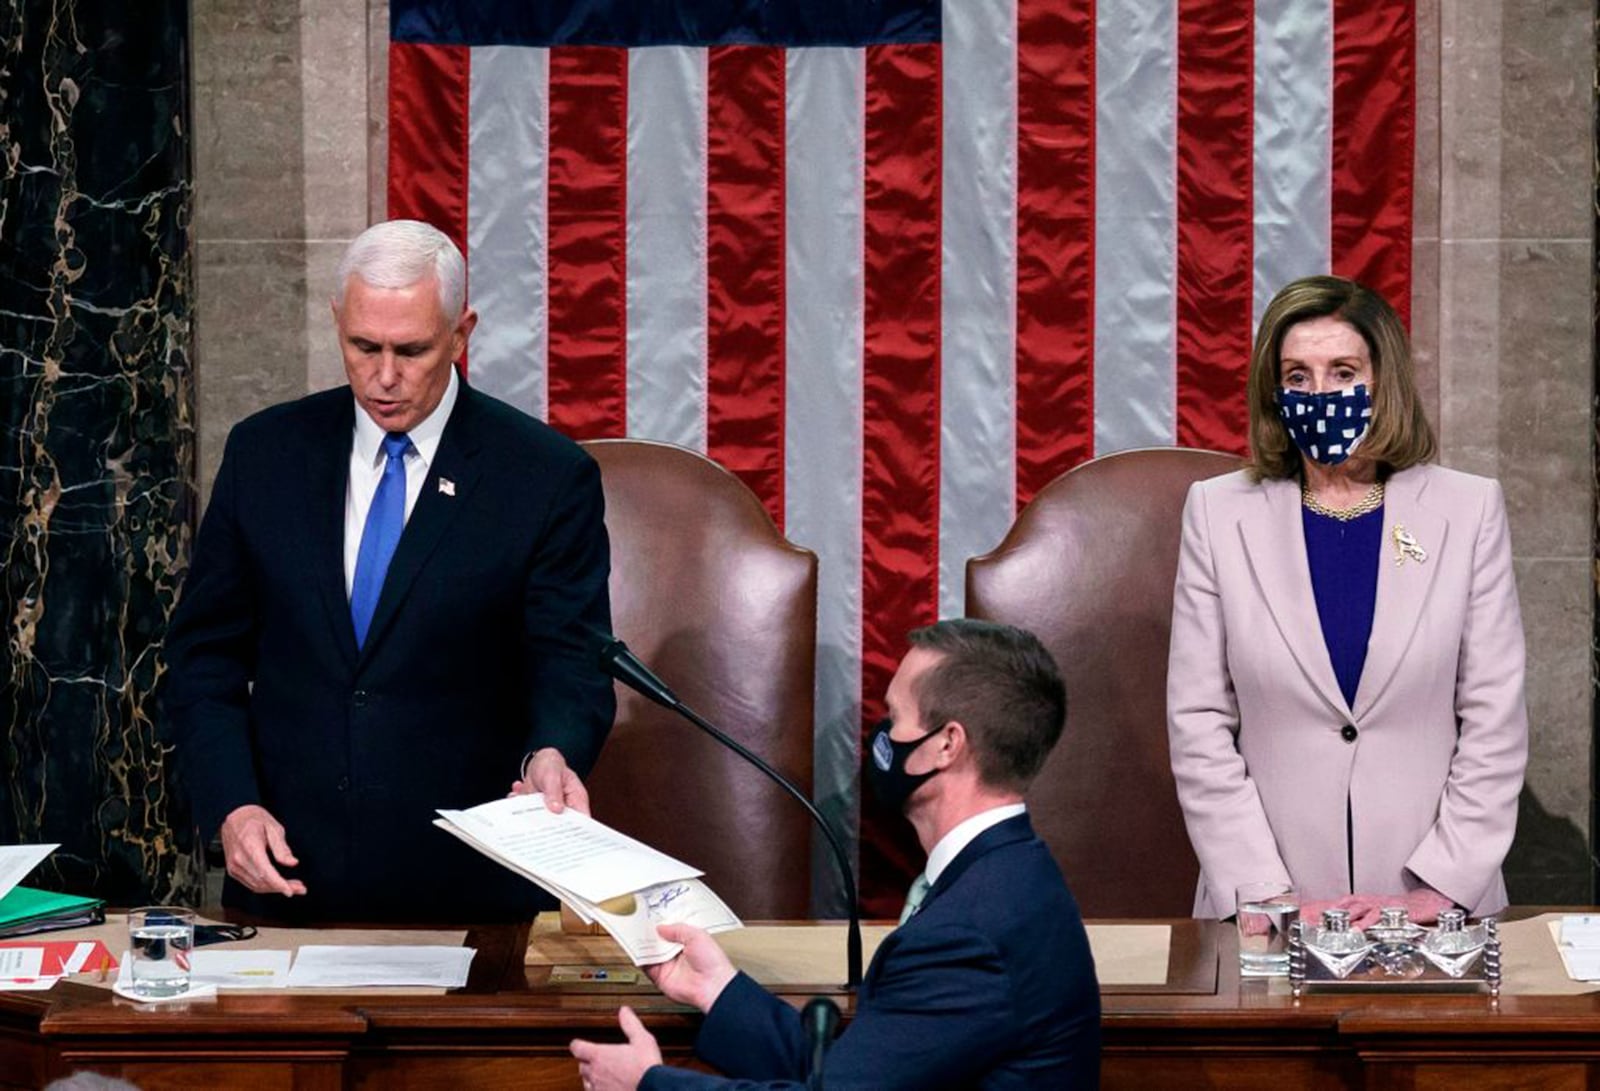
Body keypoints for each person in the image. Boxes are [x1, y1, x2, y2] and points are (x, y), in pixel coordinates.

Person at [162, 220, 615, 921]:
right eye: (362, 346)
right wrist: (231, 803)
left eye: (412, 350)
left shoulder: (544, 478)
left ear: (461, 333)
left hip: (470, 901)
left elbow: (572, 663)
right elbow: (203, 657)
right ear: (338, 321)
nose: (384, 376)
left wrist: (552, 754)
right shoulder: (264, 456)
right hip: (290, 887)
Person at [570, 619, 1101, 1090]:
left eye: (895, 718)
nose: (884, 736)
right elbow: (855, 1070)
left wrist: (648, 1084)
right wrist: (721, 991)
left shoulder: (966, 935)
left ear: (946, 744)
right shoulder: (1010, 875)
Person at [1167, 275, 1528, 928]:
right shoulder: (1217, 514)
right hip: (1270, 911)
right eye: (1297, 376)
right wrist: (1261, 892)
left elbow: (1494, 719)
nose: (1320, 394)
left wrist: (1441, 886)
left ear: (1382, 379)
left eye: (1342, 371)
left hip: (1434, 909)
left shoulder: (1467, 510)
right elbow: (1197, 725)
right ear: (1274, 392)